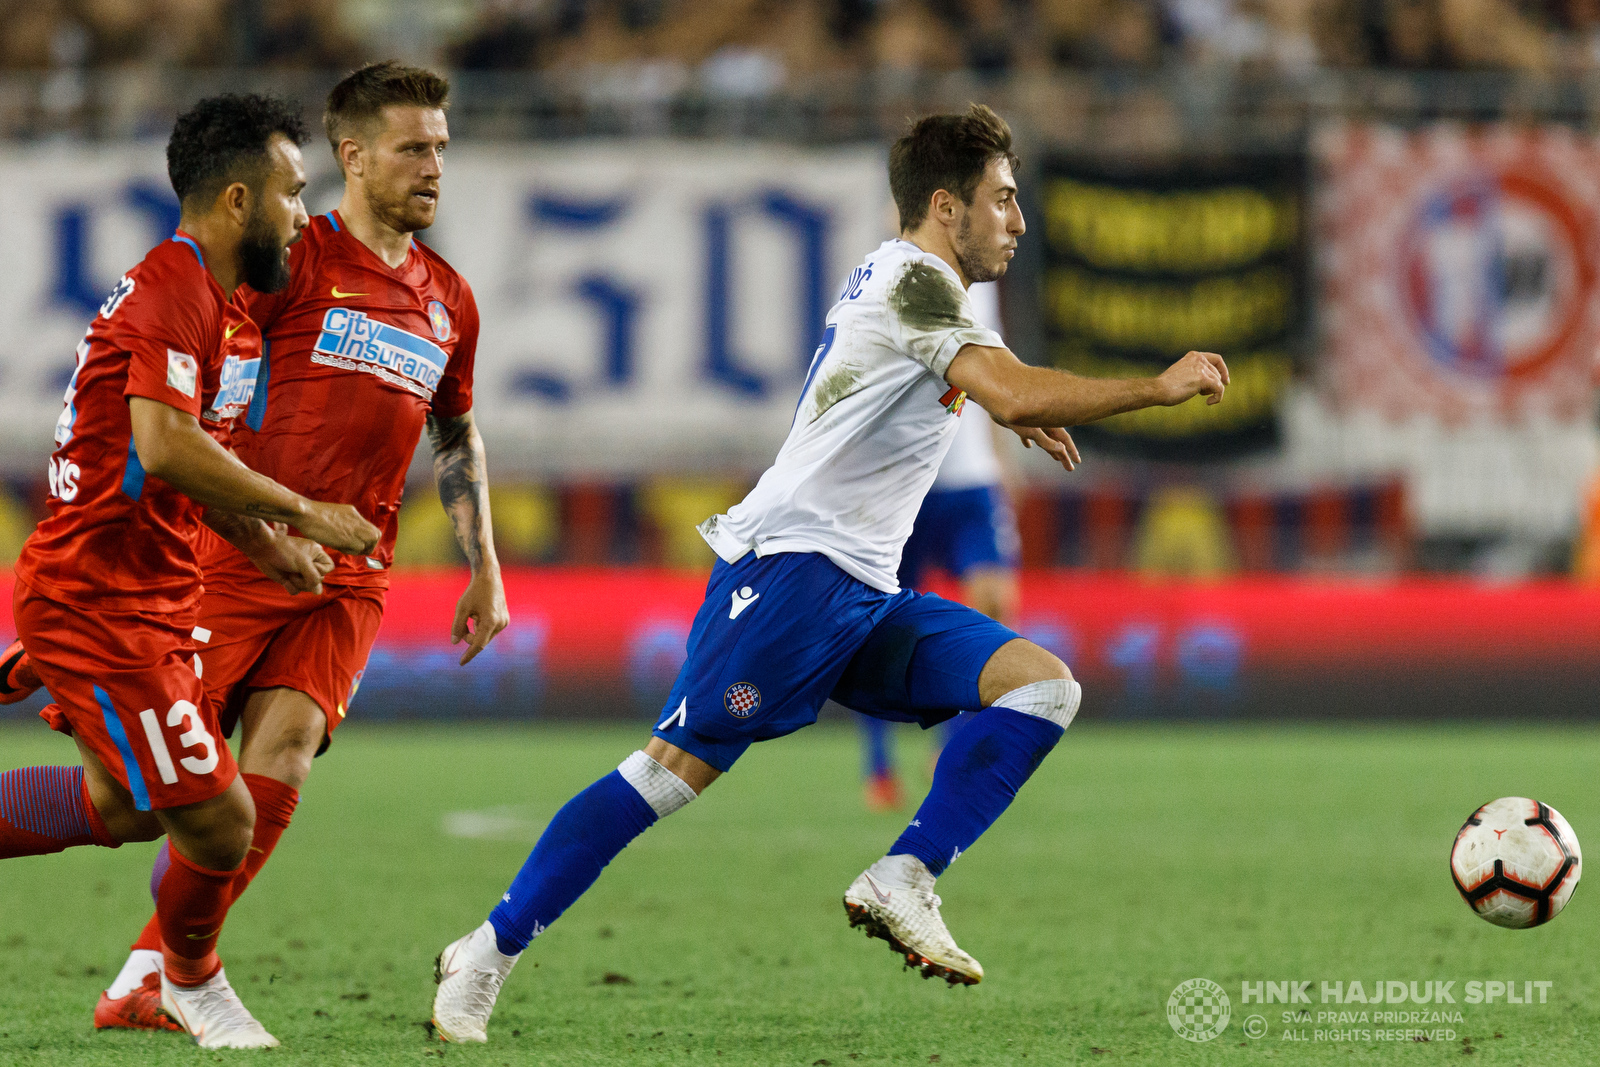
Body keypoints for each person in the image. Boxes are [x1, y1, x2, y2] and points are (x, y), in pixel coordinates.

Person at [429, 103, 1229, 1044]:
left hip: (862, 592)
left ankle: (904, 875)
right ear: (946, 204)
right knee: (669, 773)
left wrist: (1008, 403)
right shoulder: (915, 281)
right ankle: (486, 950)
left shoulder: (920, 287)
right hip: (792, 575)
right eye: (1003, 200)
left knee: (1042, 689)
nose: (1018, 220)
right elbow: (1004, 383)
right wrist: (1153, 385)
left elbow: (985, 380)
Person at [40, 61, 504, 1035]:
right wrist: (262, 520)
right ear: (353, 157)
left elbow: (455, 434)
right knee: (128, 797)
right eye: (413, 148)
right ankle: (166, 965)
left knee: (282, 755)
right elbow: (192, 398)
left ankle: (154, 968)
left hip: (350, 574)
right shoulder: (288, 261)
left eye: (442, 149)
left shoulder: (448, 299)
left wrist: (483, 563)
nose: (433, 166)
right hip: (230, 555)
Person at [0, 94, 381, 1050]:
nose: (305, 216)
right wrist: (302, 508)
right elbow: (165, 449)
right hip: (102, 602)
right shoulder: (173, 294)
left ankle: (179, 979)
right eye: (295, 195)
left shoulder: (228, 316)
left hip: (150, 596)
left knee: (124, 807)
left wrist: (267, 547)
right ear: (241, 200)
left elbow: (193, 469)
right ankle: (189, 983)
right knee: (220, 824)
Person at [858, 280, 1021, 811]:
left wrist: (1001, 461)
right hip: (906, 481)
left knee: (996, 605)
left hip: (971, 479)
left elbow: (994, 374)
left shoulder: (982, 288)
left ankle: (951, 748)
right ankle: (879, 766)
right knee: (881, 626)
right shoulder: (876, 285)